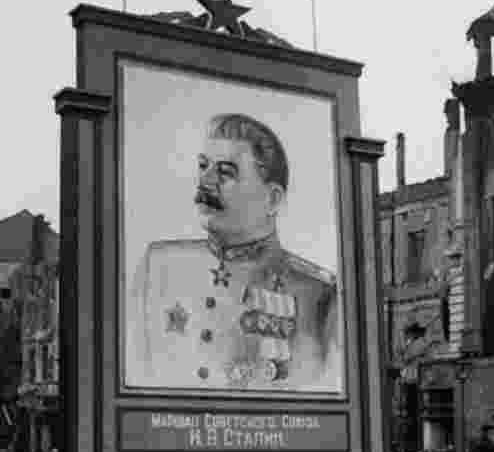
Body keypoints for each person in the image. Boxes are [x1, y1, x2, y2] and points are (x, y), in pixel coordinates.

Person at [126, 114, 340, 392]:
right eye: (203, 166)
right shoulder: (157, 267)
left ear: (272, 199)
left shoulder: (317, 293)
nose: (205, 180)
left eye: (225, 172)